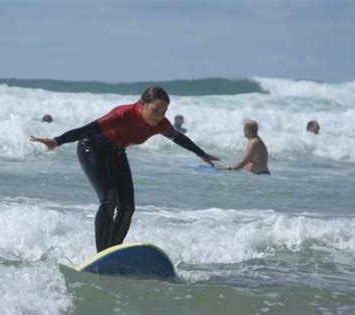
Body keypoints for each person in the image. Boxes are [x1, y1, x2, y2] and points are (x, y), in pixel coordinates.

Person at [30, 86, 219, 252]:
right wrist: (57, 140)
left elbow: (177, 137)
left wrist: (201, 154)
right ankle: (102, 253)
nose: (160, 116)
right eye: (156, 110)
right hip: (92, 149)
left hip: (117, 153)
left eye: (164, 111)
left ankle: (113, 252)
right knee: (108, 200)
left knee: (127, 207)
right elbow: (86, 130)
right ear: (142, 104)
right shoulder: (122, 114)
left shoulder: (161, 124)